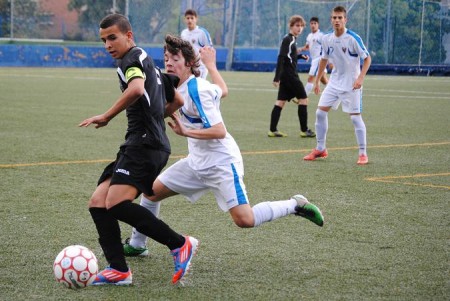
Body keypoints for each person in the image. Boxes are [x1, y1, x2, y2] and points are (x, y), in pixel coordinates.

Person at [123, 34, 324, 257]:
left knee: (245, 220)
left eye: (175, 58)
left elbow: (219, 130)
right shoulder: (178, 87)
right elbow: (223, 90)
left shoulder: (196, 89)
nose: (168, 63)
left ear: (189, 63)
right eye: (166, 58)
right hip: (196, 163)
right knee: (150, 192)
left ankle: (295, 205)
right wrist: (212, 66)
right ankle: (137, 244)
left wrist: (186, 131)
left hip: (221, 163)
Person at [78, 14, 198, 286]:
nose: (108, 44)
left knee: (116, 203)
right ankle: (118, 270)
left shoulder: (131, 58)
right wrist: (157, 117)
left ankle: (180, 244)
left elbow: (135, 89)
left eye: (113, 37)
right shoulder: (151, 64)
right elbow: (177, 98)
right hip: (141, 143)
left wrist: (107, 115)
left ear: (128, 36)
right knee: (98, 202)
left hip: (144, 144)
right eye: (104, 40)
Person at [303, 6, 371, 165]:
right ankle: (320, 148)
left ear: (345, 20)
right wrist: (318, 81)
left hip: (352, 85)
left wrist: (360, 78)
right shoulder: (326, 39)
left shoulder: (353, 38)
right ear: (331, 20)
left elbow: (367, 59)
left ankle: (362, 153)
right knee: (320, 113)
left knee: (355, 118)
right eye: (334, 18)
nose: (337, 20)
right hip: (334, 83)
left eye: (340, 18)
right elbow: (324, 60)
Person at [269, 15, 316, 138]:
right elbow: (281, 58)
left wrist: (301, 56)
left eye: (301, 26)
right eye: (297, 26)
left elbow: (290, 56)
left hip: (287, 75)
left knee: (280, 102)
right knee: (303, 99)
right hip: (290, 76)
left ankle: (272, 130)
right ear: (291, 26)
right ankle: (304, 130)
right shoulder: (288, 39)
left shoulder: (292, 40)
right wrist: (276, 78)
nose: (299, 28)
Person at [299, 17, 329, 95]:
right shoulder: (309, 36)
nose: (313, 25)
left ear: (318, 25)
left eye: (315, 23)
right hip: (314, 59)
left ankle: (303, 97)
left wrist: (329, 58)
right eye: (312, 23)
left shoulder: (321, 35)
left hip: (319, 59)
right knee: (323, 79)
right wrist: (300, 49)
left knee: (310, 78)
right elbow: (307, 47)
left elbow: (327, 46)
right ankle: (335, 94)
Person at [180, 8, 213, 79]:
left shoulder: (202, 32)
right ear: (185, 19)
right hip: (188, 67)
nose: (190, 20)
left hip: (201, 67)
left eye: (192, 18)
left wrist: (209, 64)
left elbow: (210, 49)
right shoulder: (183, 33)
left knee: (199, 86)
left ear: (196, 19)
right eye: (188, 18)